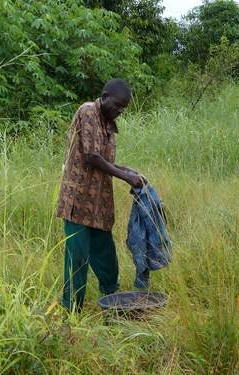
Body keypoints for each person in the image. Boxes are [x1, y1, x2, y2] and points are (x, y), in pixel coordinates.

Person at [56, 78, 145, 311]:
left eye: (123, 108)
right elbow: (91, 158)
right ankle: (71, 310)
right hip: (78, 200)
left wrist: (129, 171)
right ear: (104, 97)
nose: (120, 111)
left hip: (99, 204)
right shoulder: (88, 112)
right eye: (117, 105)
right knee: (78, 258)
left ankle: (112, 303)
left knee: (106, 256)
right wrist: (125, 177)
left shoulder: (109, 126)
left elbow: (106, 162)